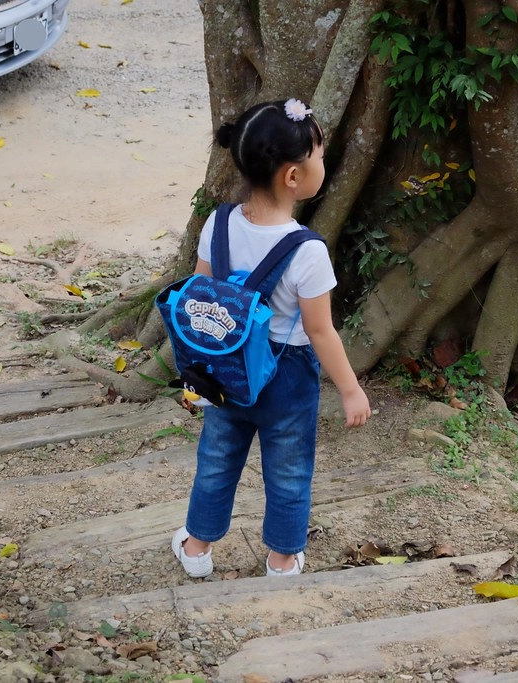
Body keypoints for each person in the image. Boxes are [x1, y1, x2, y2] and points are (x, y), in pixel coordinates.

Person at [172, 98, 371, 578]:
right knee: (288, 468)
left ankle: (196, 549)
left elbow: (199, 297)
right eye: (319, 155)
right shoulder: (308, 252)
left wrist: (196, 374)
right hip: (287, 376)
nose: (323, 161)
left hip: (227, 369)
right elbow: (320, 331)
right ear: (293, 176)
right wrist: (350, 390)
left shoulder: (218, 223)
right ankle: (282, 559)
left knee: (217, 460)